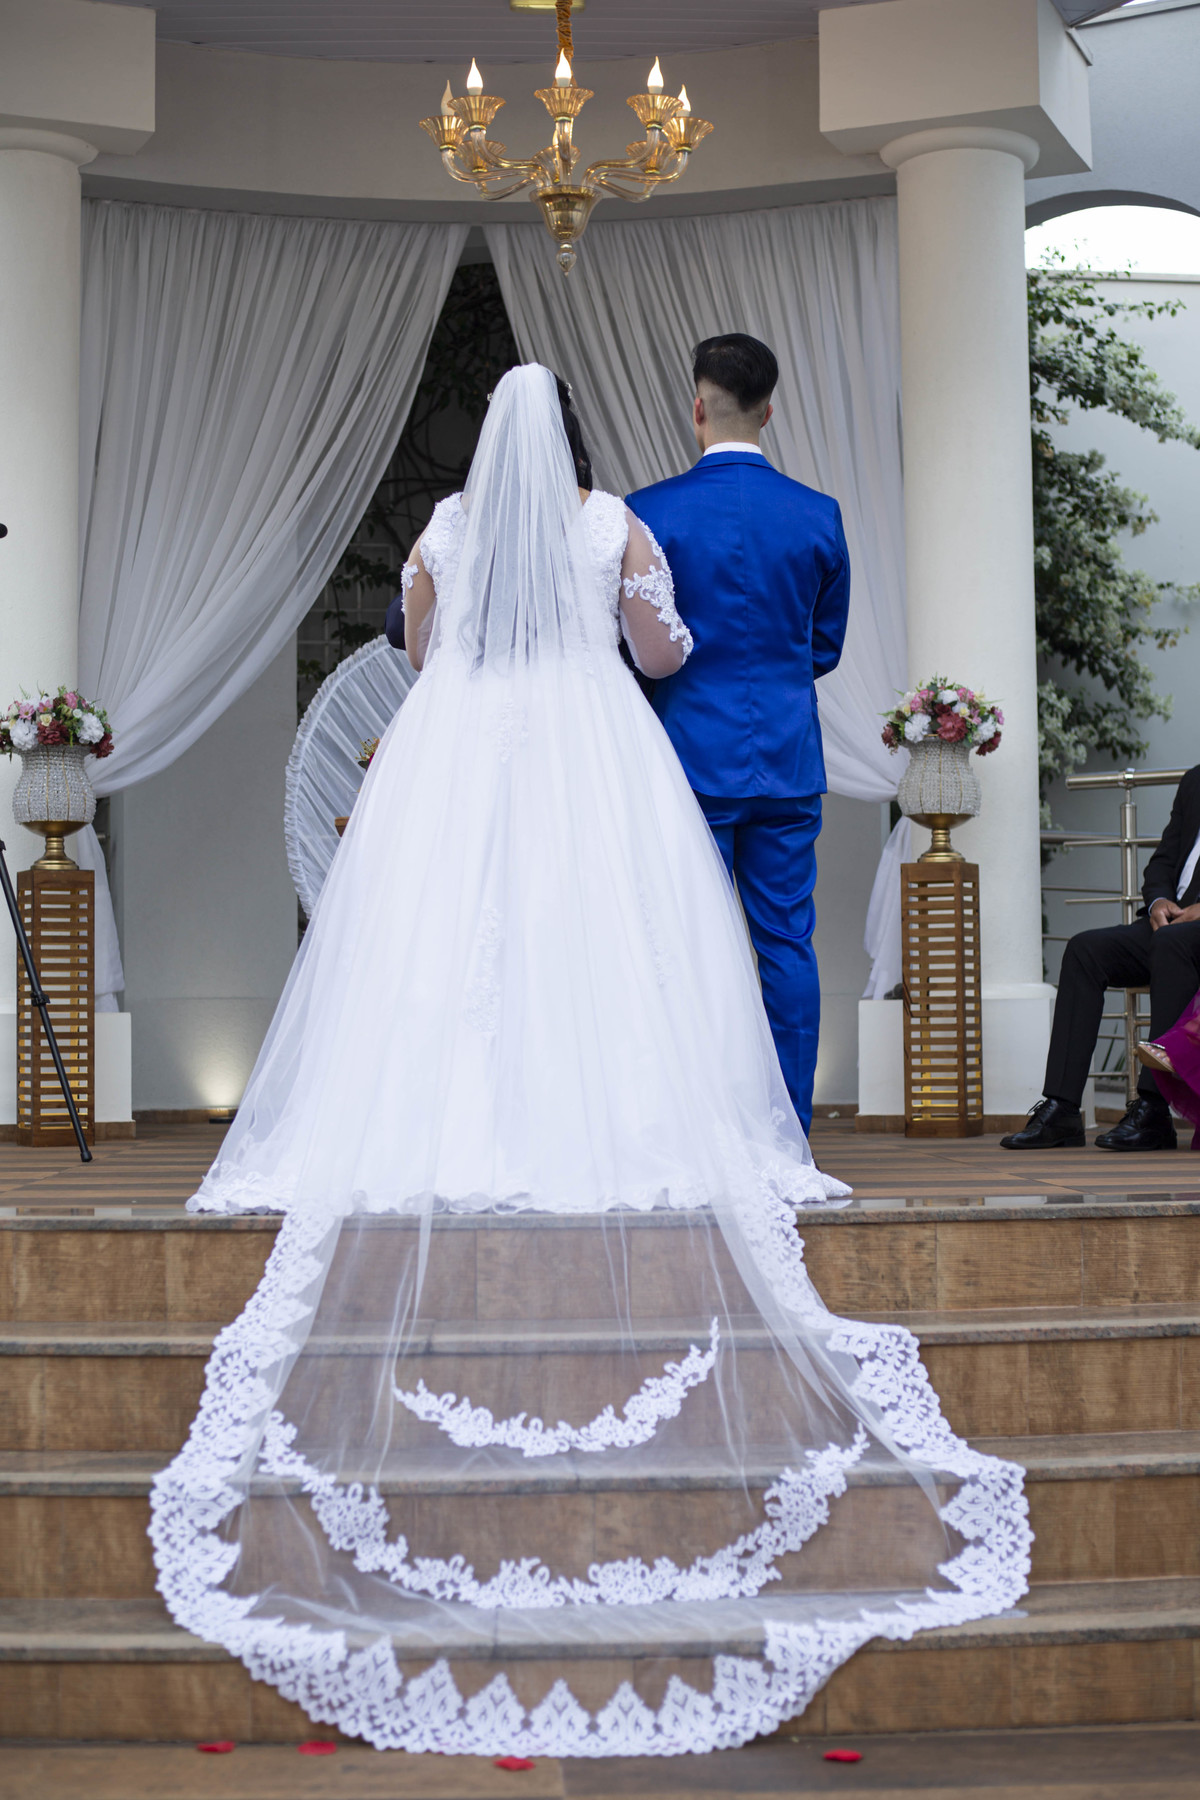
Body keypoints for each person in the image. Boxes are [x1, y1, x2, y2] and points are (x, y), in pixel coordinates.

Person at [150, 367, 1028, 1757]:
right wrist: (611, 632)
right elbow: (662, 655)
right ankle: (615, 1114)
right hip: (590, 744)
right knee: (604, 938)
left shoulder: (446, 528)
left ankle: (448, 1115)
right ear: (567, 441)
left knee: (447, 942)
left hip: (459, 751)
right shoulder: (611, 520)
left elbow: (422, 656)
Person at [626, 335, 850, 1137]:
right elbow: (824, 648)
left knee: (687, 944)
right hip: (787, 758)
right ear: (769, 411)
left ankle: (700, 1130)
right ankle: (790, 1128)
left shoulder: (648, 511)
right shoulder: (818, 514)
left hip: (688, 756)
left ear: (697, 407)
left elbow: (636, 646)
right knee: (787, 942)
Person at [1002, 763, 1200, 1151]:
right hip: (1172, 925)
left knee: (1169, 944)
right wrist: (1159, 901)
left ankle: (1153, 1109)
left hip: (1184, 937)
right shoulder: (1195, 781)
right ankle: (1062, 1109)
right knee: (1085, 950)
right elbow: (1162, 861)